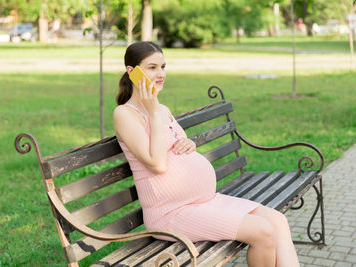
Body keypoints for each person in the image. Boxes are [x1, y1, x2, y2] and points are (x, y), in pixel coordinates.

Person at [113, 41, 300, 267]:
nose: (160, 74)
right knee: (262, 231)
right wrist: (152, 111)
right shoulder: (125, 114)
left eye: (163, 67)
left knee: (277, 221)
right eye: (152, 68)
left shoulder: (162, 109)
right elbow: (157, 164)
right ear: (132, 72)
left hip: (202, 202)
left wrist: (187, 143)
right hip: (171, 213)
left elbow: (172, 145)